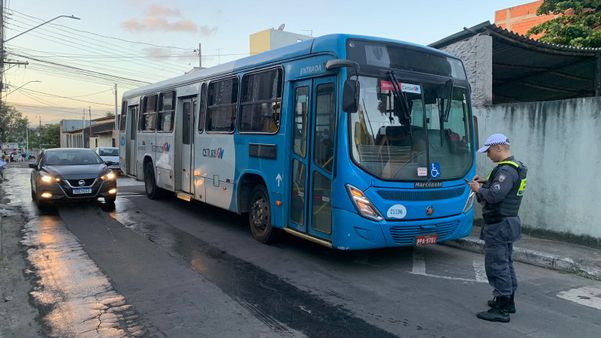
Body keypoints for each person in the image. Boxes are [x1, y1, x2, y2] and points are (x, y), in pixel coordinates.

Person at [468, 133, 527, 323]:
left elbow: (494, 196)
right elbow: (502, 189)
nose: (488, 155)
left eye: (489, 151)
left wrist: (478, 189)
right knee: (506, 263)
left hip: (500, 224)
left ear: (499, 148)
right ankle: (508, 302)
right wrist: (486, 182)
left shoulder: (505, 171)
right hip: (508, 222)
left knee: (497, 265)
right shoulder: (514, 167)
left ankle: (502, 310)